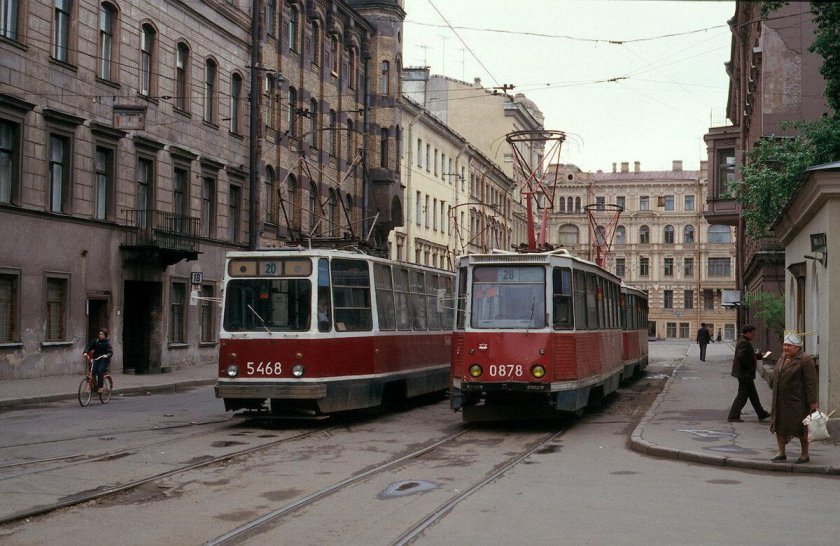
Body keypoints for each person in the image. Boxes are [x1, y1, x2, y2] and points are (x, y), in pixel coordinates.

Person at [769, 332, 818, 464]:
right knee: (779, 426)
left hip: (797, 401)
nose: (786, 348)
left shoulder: (805, 359)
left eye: (789, 345)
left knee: (802, 428)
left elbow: (811, 382)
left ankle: (804, 454)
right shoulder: (783, 357)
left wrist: (812, 402)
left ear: (797, 347)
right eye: (785, 345)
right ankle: (781, 452)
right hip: (780, 400)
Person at [726, 324, 770, 423]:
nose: (754, 335)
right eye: (753, 333)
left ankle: (761, 414)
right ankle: (733, 416)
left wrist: (758, 355)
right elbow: (742, 357)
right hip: (744, 373)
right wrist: (750, 365)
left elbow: (747, 354)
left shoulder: (744, 341)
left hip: (745, 374)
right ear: (748, 333)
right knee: (742, 396)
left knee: (753, 395)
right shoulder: (744, 342)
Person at [83, 328, 113, 393]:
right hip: (96, 358)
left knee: (100, 370)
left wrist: (107, 355)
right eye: (100, 334)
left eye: (102, 334)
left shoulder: (107, 343)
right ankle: (94, 386)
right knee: (92, 371)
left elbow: (110, 351)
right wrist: (85, 352)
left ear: (105, 335)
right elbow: (89, 346)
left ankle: (100, 387)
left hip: (104, 360)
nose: (100, 336)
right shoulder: (96, 341)